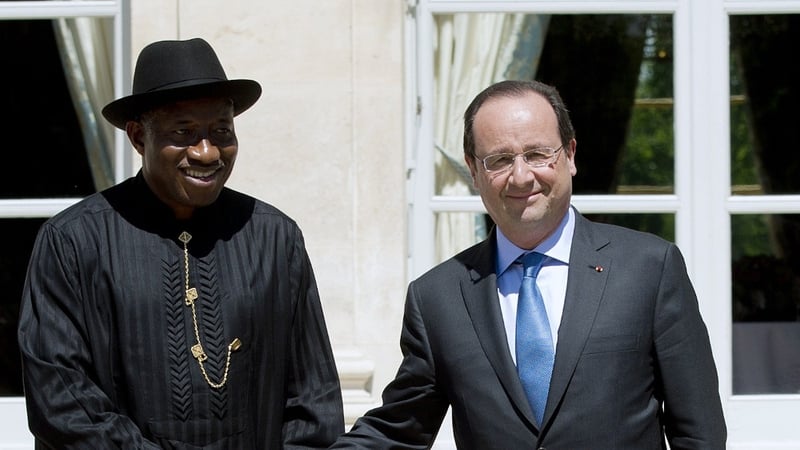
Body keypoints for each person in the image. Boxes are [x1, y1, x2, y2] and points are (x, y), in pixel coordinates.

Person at [332, 80, 726, 449]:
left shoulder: (649, 269)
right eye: (499, 160)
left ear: (570, 155)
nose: (521, 176)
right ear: (473, 170)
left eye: (538, 154)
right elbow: (400, 428)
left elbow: (699, 433)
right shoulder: (437, 297)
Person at [17, 37, 344, 449]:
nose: (207, 152)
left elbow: (314, 398)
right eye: (184, 132)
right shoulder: (74, 241)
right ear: (138, 137)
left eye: (221, 131)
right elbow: (61, 399)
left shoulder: (275, 238)